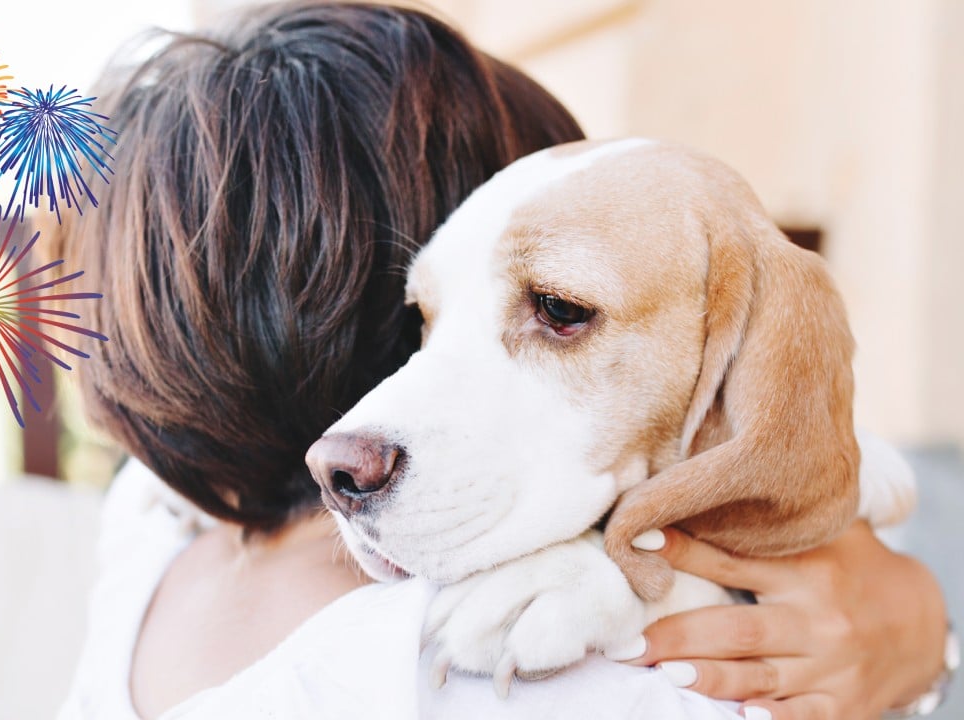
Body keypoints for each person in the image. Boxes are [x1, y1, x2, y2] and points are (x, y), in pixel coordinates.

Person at [53, 2, 951, 718]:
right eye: (428, 321)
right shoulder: (570, 677)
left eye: (556, 309)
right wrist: (921, 645)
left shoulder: (149, 522)